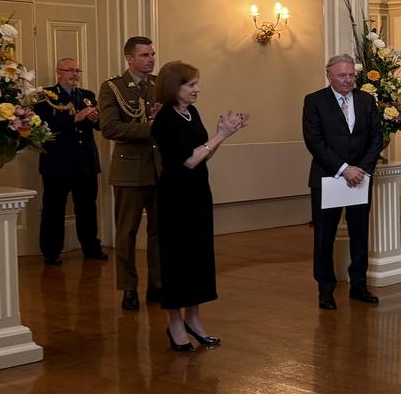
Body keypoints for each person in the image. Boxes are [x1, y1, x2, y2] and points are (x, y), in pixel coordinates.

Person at [152, 61, 248, 351]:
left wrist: (219, 135)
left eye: (196, 83)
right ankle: (175, 323)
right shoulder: (165, 119)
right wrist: (222, 135)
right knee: (177, 258)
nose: (197, 89)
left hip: (197, 193)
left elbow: (203, 156)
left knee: (198, 256)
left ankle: (194, 319)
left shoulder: (190, 113)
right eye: (191, 85)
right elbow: (188, 160)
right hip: (175, 197)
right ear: (174, 87)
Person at [302, 54, 384, 310]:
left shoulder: (366, 100)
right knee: (324, 237)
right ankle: (325, 290)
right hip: (328, 178)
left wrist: (362, 170)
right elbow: (314, 141)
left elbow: (376, 138)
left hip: (361, 178)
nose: (348, 80)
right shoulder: (314, 101)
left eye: (351, 75)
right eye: (342, 75)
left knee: (360, 235)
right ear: (329, 76)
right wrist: (344, 168)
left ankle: (359, 285)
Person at [99, 36, 163, 310]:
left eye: (152, 54)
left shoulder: (160, 84)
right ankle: (128, 287)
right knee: (126, 232)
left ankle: (158, 284)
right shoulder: (112, 87)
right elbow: (110, 128)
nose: (151, 59)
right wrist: (151, 128)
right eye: (145, 55)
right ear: (129, 59)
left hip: (159, 168)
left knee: (159, 231)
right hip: (129, 168)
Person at [36, 58, 108, 265]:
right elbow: (43, 126)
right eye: (70, 70)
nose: (74, 74)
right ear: (58, 72)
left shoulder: (86, 96)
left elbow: (100, 126)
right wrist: (75, 118)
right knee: (53, 209)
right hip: (57, 163)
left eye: (77, 70)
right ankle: (51, 251)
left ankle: (90, 247)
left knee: (87, 207)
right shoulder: (45, 96)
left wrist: (96, 120)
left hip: (85, 161)